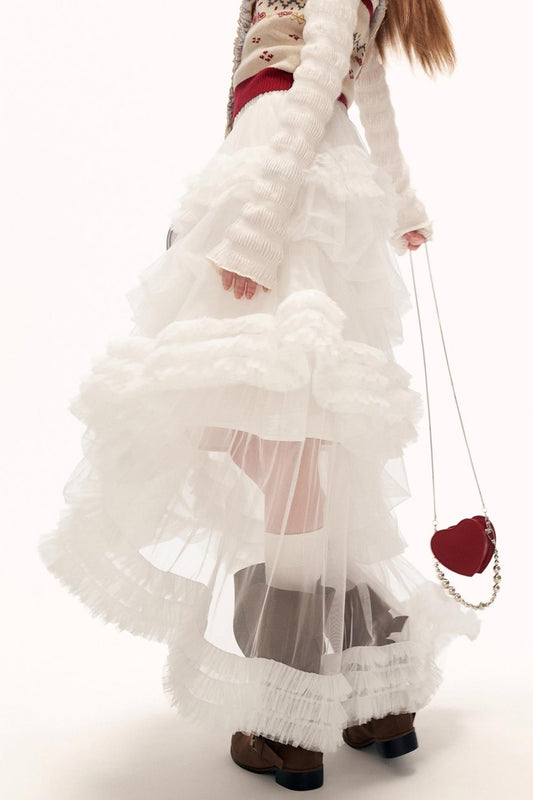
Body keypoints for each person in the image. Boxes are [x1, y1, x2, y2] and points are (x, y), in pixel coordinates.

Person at [38, 0, 481, 792]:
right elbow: (367, 83)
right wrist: (401, 199)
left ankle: (286, 720)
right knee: (278, 438)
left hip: (285, 174)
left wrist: (256, 227)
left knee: (280, 443)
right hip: (287, 167)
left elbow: (320, 78)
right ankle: (377, 689)